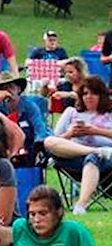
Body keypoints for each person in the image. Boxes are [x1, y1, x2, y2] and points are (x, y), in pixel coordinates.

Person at [43, 75, 112, 214]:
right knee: (48, 141)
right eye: (85, 93)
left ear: (102, 95)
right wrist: (70, 134)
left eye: (94, 93)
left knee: (92, 158)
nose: (89, 97)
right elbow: (56, 139)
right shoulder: (71, 112)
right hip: (72, 158)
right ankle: (97, 150)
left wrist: (94, 131)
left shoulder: (109, 114)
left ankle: (80, 205)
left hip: (104, 160)